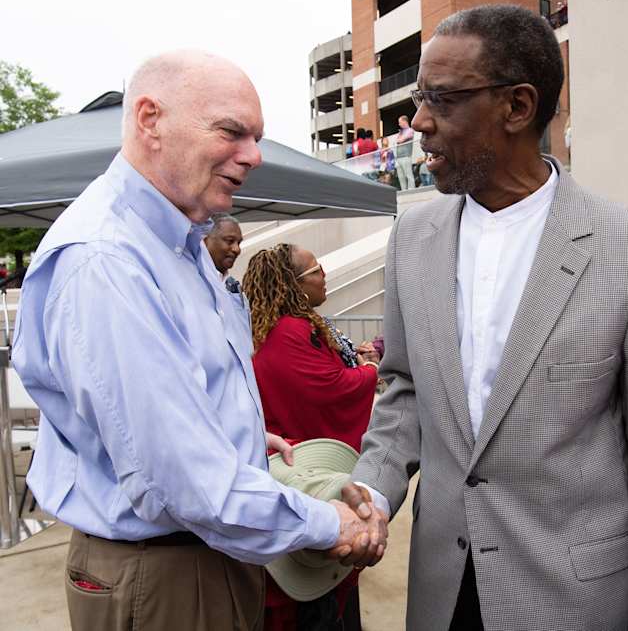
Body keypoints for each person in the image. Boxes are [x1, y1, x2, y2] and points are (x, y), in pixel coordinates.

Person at [343, 4, 628, 631]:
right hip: (442, 594)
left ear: (517, 107)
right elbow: (403, 389)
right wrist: (371, 491)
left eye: (444, 101)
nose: (418, 124)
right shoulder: (412, 236)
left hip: (574, 601)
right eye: (420, 98)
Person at [12, 50, 387, 631]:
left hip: (200, 559)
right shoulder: (109, 261)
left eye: (257, 137)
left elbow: (164, 410)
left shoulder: (176, 246)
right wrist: (332, 523)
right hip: (164, 573)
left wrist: (237, 433)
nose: (254, 156)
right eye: (231, 131)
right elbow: (185, 482)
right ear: (149, 120)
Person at [243, 243, 380, 631]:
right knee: (315, 596)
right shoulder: (290, 331)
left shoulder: (279, 327)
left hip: (296, 474)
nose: (325, 275)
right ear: (294, 284)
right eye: (317, 270)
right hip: (304, 475)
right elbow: (328, 390)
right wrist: (369, 372)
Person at [203, 213, 243, 279]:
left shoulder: (232, 285)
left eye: (239, 243)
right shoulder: (192, 278)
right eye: (230, 241)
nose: (237, 249)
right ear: (205, 241)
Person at [395, 114, 415, 190]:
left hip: (406, 156)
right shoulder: (400, 132)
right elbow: (397, 141)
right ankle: (404, 191)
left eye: (400, 122)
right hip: (399, 157)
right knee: (401, 176)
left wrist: (400, 139)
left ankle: (412, 191)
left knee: (408, 175)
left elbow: (401, 140)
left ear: (404, 121)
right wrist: (399, 139)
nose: (399, 124)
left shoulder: (410, 130)